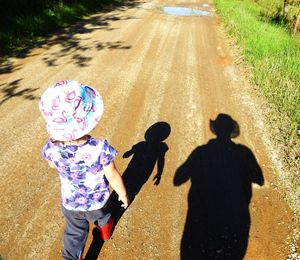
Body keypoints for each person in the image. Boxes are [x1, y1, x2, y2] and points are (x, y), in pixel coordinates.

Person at [39, 80, 129, 260]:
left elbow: (51, 164)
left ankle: (72, 257)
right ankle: (104, 230)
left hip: (71, 202)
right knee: (103, 216)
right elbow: (111, 174)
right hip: (97, 201)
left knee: (74, 234)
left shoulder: (51, 148)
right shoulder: (100, 147)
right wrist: (123, 194)